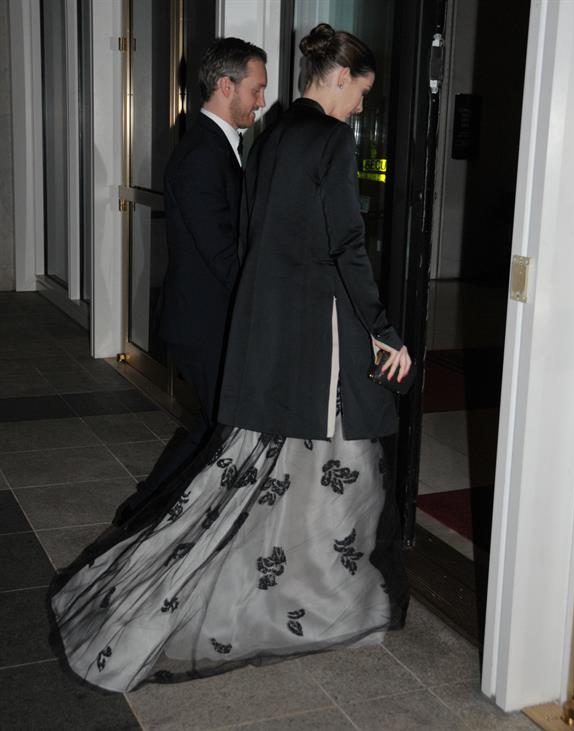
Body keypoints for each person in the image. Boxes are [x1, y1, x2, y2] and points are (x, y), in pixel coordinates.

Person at [49, 23, 411, 694]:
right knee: (327, 469)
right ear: (338, 78)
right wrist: (385, 330)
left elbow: (258, 242)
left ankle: (285, 584)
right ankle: (320, 594)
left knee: (254, 472)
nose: (361, 106)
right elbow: (346, 247)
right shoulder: (329, 139)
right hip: (314, 341)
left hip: (273, 338)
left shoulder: (271, 136)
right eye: (360, 91)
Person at [137, 37, 268, 502]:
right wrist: (264, 301)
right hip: (203, 321)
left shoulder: (219, 145)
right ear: (227, 86)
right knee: (217, 426)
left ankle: (150, 510)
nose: (261, 101)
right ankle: (145, 511)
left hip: (208, 318)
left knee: (214, 425)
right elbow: (220, 253)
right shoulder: (200, 155)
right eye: (256, 90)